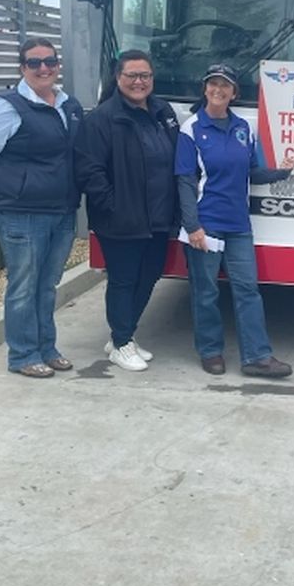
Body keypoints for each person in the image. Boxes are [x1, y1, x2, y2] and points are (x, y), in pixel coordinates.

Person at [0, 37, 83, 378]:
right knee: (23, 285)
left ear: (58, 65)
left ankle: (47, 347)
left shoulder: (68, 105)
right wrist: (17, 184)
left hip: (61, 210)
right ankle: (22, 354)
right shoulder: (6, 107)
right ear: (22, 68)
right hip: (21, 213)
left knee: (47, 286)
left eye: (49, 61)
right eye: (34, 63)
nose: (43, 68)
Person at [175, 63, 294, 378]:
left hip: (239, 225)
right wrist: (193, 227)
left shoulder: (243, 128)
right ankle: (210, 351)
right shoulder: (191, 129)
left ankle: (257, 357)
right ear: (205, 90)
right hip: (206, 224)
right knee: (206, 292)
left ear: (234, 93)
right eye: (212, 84)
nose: (218, 90)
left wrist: (281, 172)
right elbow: (185, 181)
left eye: (225, 85)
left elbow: (251, 172)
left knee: (248, 290)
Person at [74, 50, 180, 372]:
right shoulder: (102, 119)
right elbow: (89, 171)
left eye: (145, 76)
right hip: (121, 219)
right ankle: (121, 343)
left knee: (149, 276)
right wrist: (113, 206)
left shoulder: (163, 112)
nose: (139, 82)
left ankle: (122, 335)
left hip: (159, 217)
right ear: (118, 79)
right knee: (123, 280)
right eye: (131, 75)